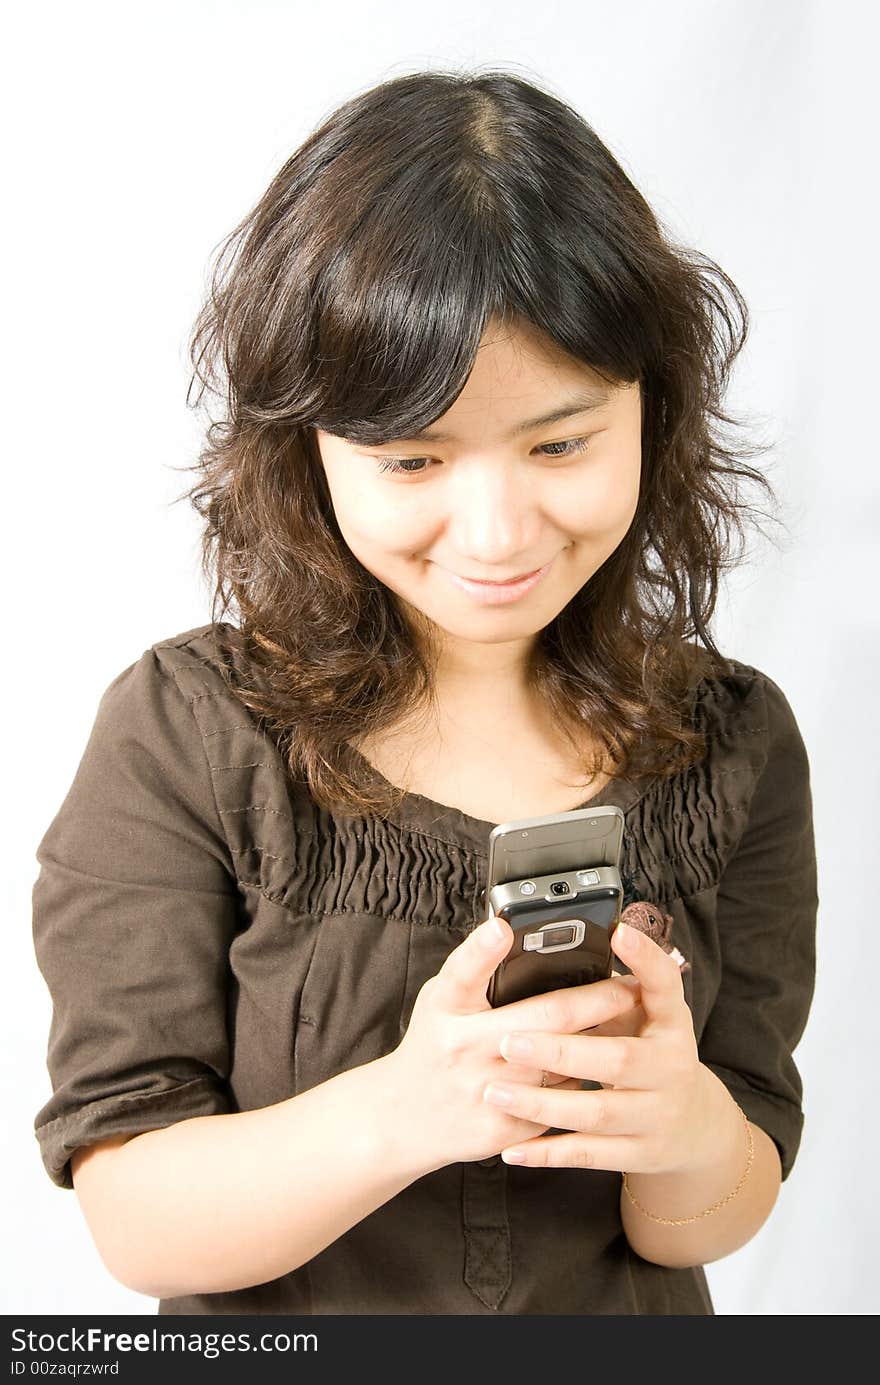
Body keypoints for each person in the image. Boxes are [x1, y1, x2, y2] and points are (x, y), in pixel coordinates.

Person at [31, 68, 817, 1316]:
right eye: (412, 458)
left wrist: (683, 1126)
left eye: (560, 442)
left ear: (650, 414)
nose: (498, 531)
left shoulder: (734, 741)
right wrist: (411, 1103)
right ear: (307, 451)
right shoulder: (186, 731)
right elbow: (138, 1221)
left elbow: (708, 1217)